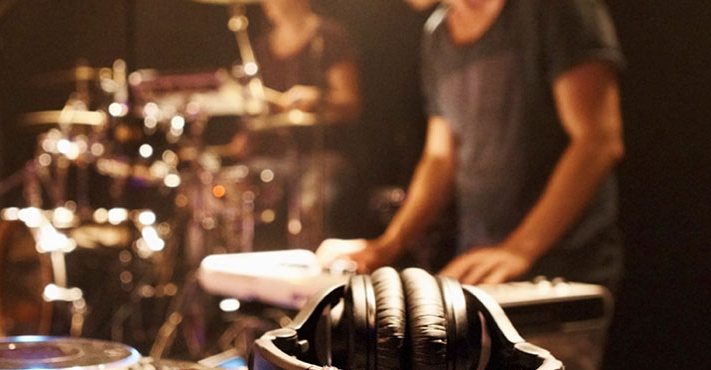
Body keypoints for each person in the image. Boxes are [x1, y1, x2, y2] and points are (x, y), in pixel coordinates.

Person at [317, 0, 625, 291]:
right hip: (479, 269)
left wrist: (519, 249)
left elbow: (597, 142)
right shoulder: (437, 35)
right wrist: (386, 246)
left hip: (562, 273)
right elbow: (440, 158)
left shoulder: (552, 8)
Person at [241, 0, 365, 248]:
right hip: (274, 156)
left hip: (323, 155)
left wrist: (315, 97)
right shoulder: (261, 47)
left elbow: (351, 103)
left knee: (309, 206)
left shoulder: (329, 37)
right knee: (243, 195)